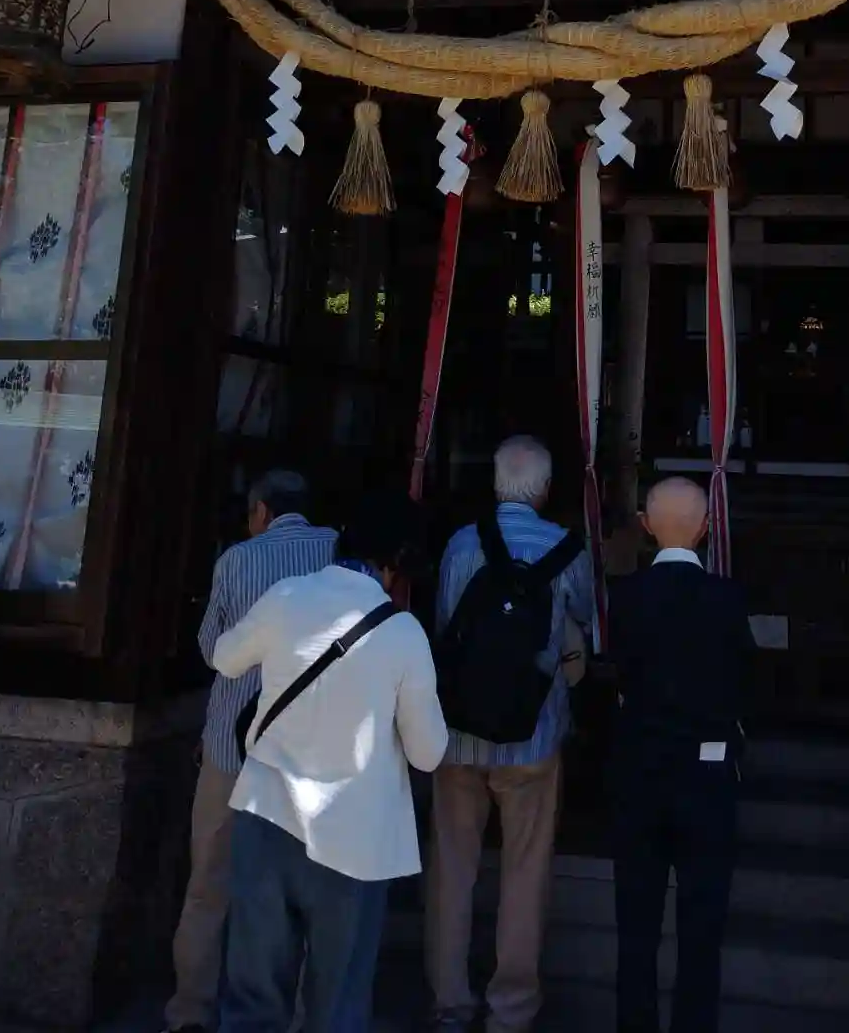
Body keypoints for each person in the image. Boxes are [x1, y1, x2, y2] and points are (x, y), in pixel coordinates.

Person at [214, 490, 448, 1033]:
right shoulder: (403, 632)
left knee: (251, 1001)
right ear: (398, 562)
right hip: (353, 840)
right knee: (337, 1007)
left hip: (266, 817)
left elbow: (226, 659)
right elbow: (428, 754)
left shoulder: (287, 595)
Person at [426, 436, 595, 1033]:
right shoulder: (567, 549)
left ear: (495, 484)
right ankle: (511, 1010)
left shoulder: (461, 545)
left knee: (451, 866)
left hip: (458, 733)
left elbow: (444, 628)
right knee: (526, 870)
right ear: (545, 489)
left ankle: (450, 1002)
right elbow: (584, 628)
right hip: (533, 736)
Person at [166, 470, 339, 1033]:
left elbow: (211, 649)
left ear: (261, 511)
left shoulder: (238, 559)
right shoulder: (338, 555)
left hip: (231, 748)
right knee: (302, 893)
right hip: (307, 752)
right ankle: (297, 1017)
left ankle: (190, 1012)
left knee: (208, 884)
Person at [608, 478, 755, 1033]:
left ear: (645, 525)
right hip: (706, 772)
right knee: (702, 932)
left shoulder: (625, 596)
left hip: (639, 771)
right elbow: (746, 683)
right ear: (707, 528)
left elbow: (619, 674)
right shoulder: (726, 598)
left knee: (635, 930)